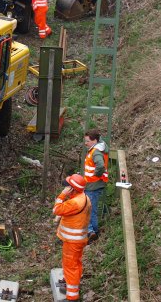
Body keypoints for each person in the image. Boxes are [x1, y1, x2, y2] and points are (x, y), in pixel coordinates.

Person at [52, 173, 91, 301]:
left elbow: (56, 210)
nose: (66, 187)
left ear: (72, 188)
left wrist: (62, 195)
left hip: (72, 241)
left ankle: (72, 296)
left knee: (70, 267)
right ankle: (73, 286)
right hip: (79, 239)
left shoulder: (74, 203)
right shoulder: (84, 198)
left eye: (68, 186)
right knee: (76, 264)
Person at [83, 129, 109, 243]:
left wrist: (95, 175)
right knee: (91, 210)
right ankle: (94, 232)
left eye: (87, 141)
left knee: (88, 210)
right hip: (93, 185)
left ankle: (91, 232)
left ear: (94, 140)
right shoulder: (96, 149)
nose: (85, 143)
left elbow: (100, 165)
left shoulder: (96, 152)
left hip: (93, 186)